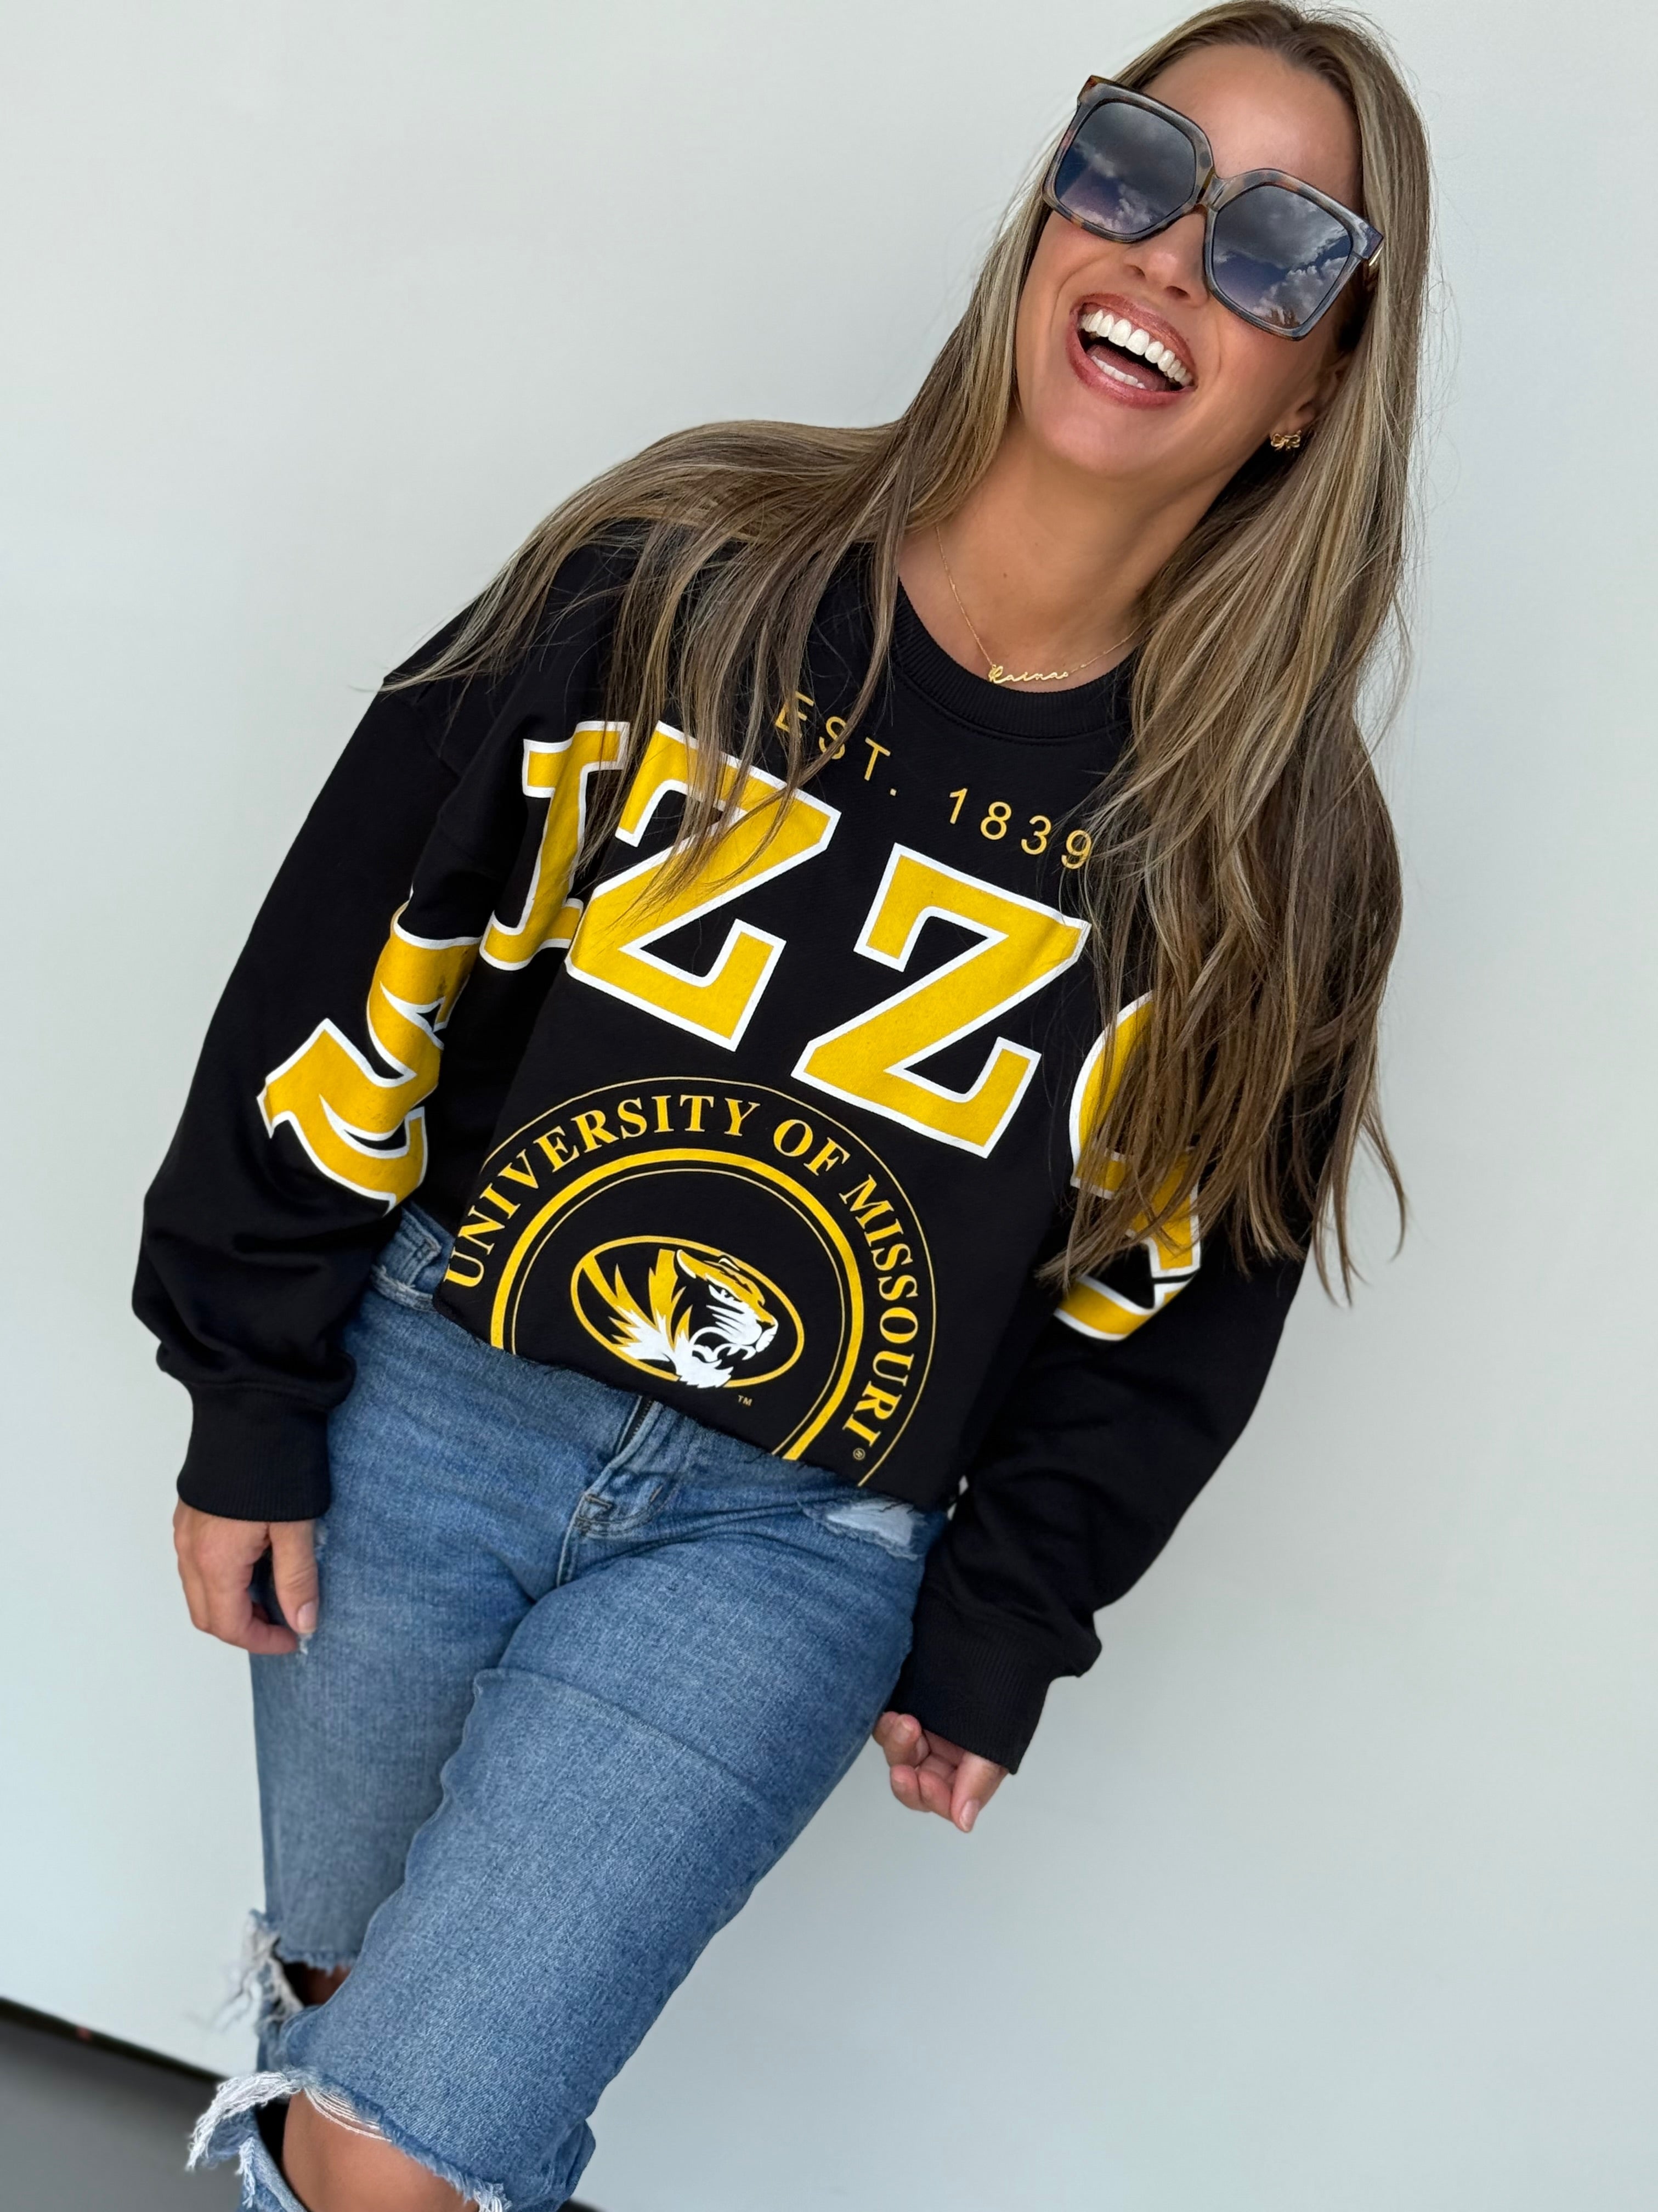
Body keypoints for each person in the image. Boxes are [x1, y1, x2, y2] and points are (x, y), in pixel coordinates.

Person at [137, 5, 1430, 2205]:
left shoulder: (1276, 847)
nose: (1170, 257)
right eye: (1133, 167)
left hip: (789, 1540)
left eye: (1277, 244)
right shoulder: (674, 568)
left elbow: (1185, 1299)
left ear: (1320, 380)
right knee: (356, 2030)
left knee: (394, 2142)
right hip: (428, 1402)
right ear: (1054, 205)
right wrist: (249, 1380)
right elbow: (360, 955)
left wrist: (1008, 1611)